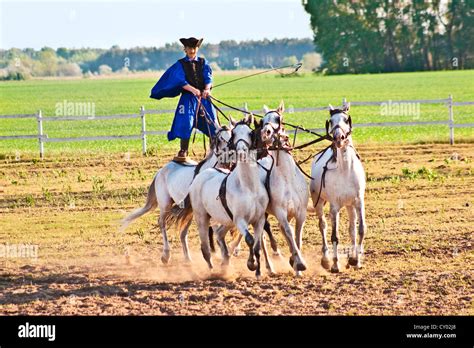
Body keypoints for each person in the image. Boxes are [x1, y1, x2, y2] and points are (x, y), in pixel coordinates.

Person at [150, 37, 218, 161]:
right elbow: (180, 81)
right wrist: (193, 90)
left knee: (212, 122)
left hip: (203, 97)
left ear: (197, 49)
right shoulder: (180, 64)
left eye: (194, 48)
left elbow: (208, 78)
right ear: (185, 49)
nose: (192, 50)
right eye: (189, 48)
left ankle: (215, 150)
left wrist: (207, 89)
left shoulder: (203, 62)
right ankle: (183, 151)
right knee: (186, 122)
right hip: (188, 98)